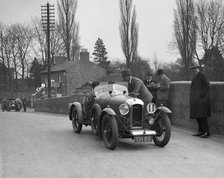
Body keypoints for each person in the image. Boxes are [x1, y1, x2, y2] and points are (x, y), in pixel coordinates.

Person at [189, 60, 211, 138]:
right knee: (198, 116)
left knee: (203, 116)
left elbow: (207, 86)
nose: (193, 70)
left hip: (202, 100)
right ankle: (201, 131)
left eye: (194, 68)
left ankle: (206, 132)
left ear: (198, 68)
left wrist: (200, 94)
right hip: (196, 100)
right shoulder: (195, 76)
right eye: (192, 68)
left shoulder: (202, 75)